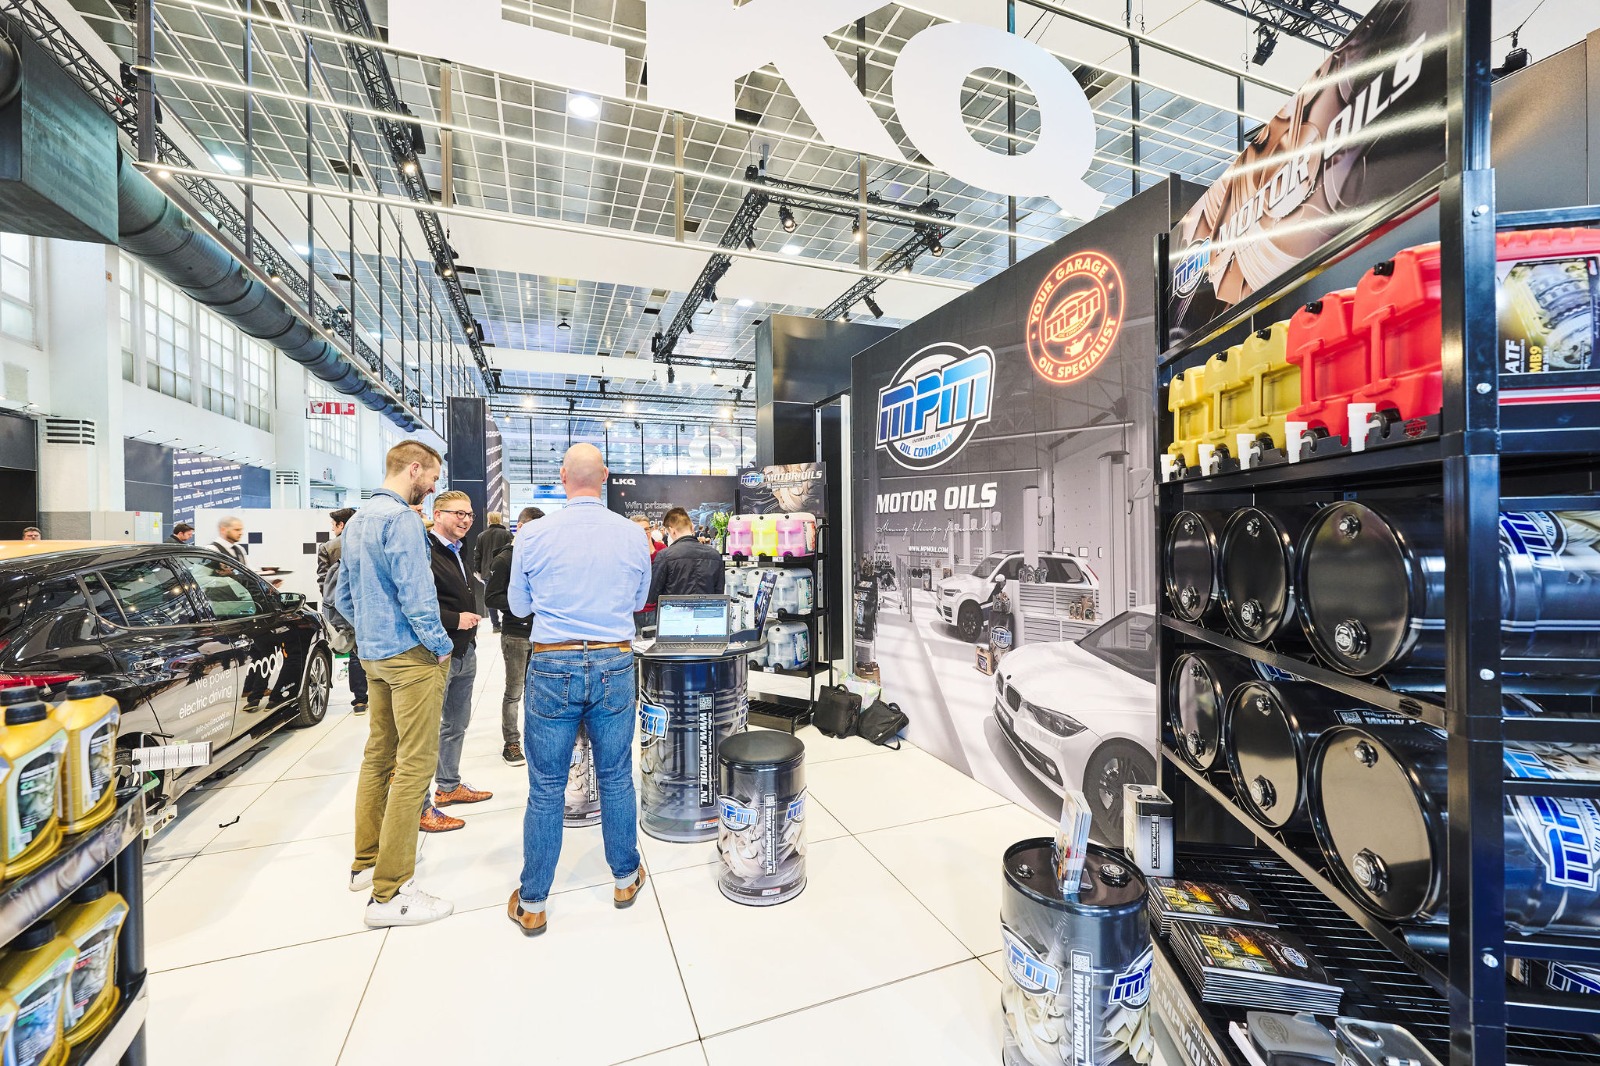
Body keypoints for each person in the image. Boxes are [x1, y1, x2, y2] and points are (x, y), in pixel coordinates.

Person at [506, 444, 651, 937]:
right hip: (614, 660)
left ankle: (533, 902)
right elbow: (639, 600)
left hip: (553, 662)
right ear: (605, 476)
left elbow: (518, 607)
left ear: (562, 477)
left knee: (546, 786)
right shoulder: (632, 535)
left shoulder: (532, 534)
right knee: (616, 777)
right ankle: (625, 879)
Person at [332, 440, 455, 929]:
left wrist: (369, 632)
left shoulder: (358, 520)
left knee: (379, 755)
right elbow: (416, 593)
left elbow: (342, 595)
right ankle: (391, 893)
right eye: (433, 478)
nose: (433, 488)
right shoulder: (402, 519)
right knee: (415, 766)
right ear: (414, 468)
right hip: (410, 657)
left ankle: (366, 863)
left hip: (374, 654)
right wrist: (439, 643)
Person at [425, 490, 490, 830]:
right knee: (423, 733)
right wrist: (454, 620)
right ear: (437, 514)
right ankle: (420, 806)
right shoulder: (425, 551)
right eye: (458, 513)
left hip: (465, 651)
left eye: (469, 515)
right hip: (436, 654)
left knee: (456, 724)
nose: (465, 520)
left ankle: (448, 787)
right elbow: (413, 605)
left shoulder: (459, 550)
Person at [483, 507, 544, 766]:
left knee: (537, 690)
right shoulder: (505, 559)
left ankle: (535, 737)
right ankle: (511, 741)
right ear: (520, 526)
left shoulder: (541, 556)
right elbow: (491, 598)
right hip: (516, 635)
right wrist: (522, 605)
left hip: (541, 634)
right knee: (514, 691)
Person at [316, 508, 367, 715]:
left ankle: (360, 700)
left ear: (341, 524)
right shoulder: (367, 541)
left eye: (333, 525)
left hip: (341, 606)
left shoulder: (328, 547)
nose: (332, 529)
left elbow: (323, 581)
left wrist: (332, 603)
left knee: (353, 650)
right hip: (367, 602)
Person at [649, 506, 727, 601]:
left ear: (672, 531)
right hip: (707, 609)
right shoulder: (715, 555)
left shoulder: (664, 556)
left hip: (673, 609)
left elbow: (652, 594)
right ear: (692, 527)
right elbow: (719, 593)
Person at [473, 511, 512, 633]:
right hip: (505, 570)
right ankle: (508, 620)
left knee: (490, 597)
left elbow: (477, 555)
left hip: (487, 571)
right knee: (507, 595)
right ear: (500, 520)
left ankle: (495, 624)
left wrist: (478, 570)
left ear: (489, 520)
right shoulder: (507, 534)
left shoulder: (481, 536)